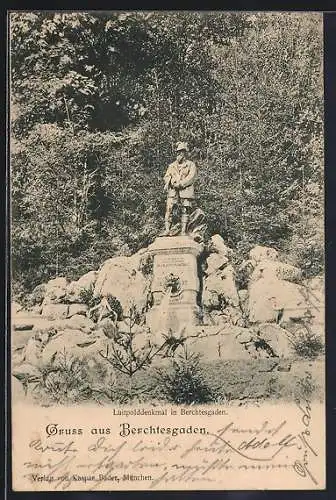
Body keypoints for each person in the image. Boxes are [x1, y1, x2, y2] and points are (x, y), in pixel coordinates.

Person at [163, 141, 197, 236]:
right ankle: (167, 230)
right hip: (173, 191)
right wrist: (171, 182)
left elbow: (192, 177)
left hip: (185, 190)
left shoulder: (191, 165)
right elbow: (166, 176)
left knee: (185, 209)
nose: (179, 154)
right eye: (178, 152)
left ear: (185, 153)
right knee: (169, 209)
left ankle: (183, 231)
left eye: (181, 152)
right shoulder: (172, 165)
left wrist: (181, 184)